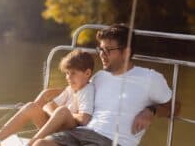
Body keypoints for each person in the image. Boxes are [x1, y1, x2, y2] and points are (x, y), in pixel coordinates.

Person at [32, 23, 180, 146]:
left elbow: (175, 107)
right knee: (40, 144)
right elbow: (75, 91)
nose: (102, 54)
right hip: (81, 133)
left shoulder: (150, 78)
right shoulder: (99, 77)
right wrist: (47, 97)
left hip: (112, 141)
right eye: (101, 49)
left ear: (126, 53)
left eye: (108, 50)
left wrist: (151, 111)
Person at [0, 50, 96, 146]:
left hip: (70, 135)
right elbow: (48, 106)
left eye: (73, 73)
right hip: (56, 128)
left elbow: (84, 119)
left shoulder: (87, 90)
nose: (68, 77)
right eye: (67, 73)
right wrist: (56, 115)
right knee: (31, 107)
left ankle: (30, 143)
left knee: (62, 110)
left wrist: (62, 114)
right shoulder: (70, 89)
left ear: (87, 73)